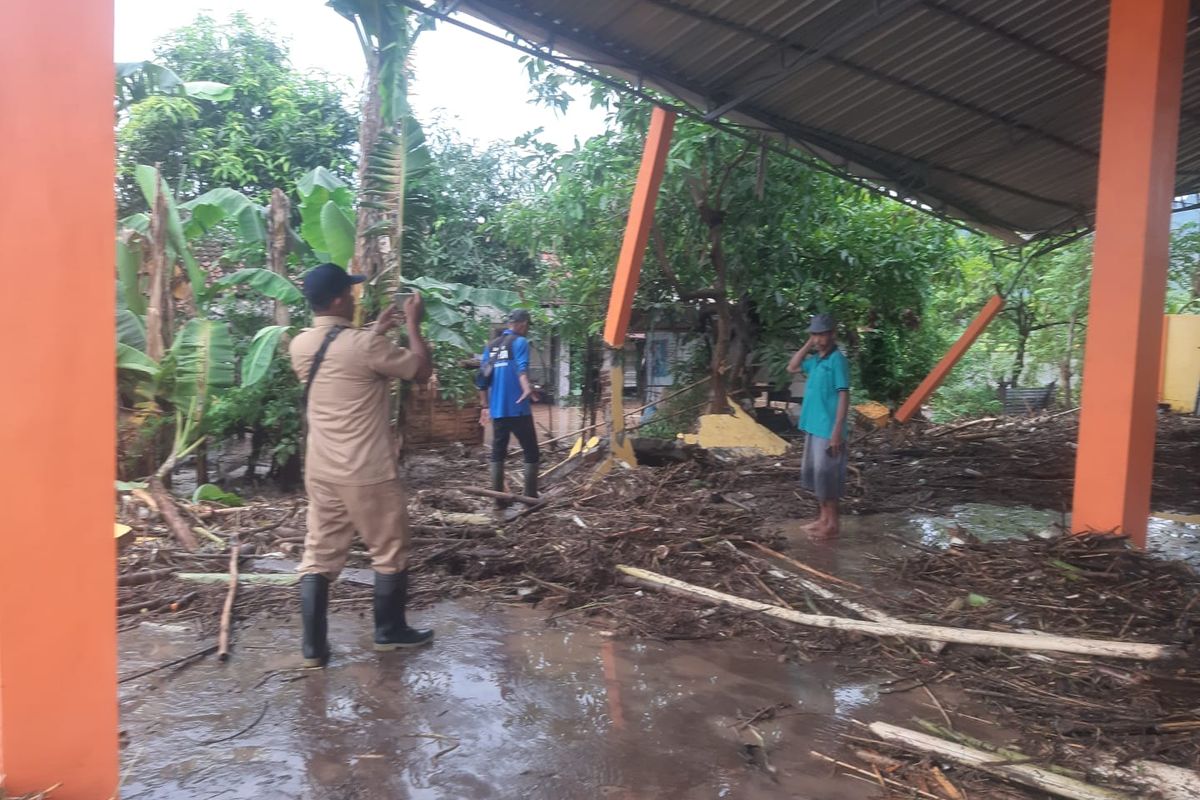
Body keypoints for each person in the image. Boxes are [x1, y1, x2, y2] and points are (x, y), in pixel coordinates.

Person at [289, 263, 434, 668]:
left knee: (318, 555)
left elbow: (344, 361)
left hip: (321, 469)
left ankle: (313, 649)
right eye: (350, 292)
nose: (355, 297)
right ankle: (389, 632)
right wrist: (413, 324)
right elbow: (421, 371)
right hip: (366, 470)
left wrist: (376, 332)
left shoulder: (300, 345)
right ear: (339, 299)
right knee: (389, 550)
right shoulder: (364, 346)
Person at [787, 313, 851, 538]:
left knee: (829, 475)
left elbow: (843, 395)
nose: (818, 339)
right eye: (815, 334)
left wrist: (837, 431)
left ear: (832, 334)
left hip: (829, 429)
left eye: (822, 334)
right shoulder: (815, 361)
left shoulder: (837, 361)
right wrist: (808, 343)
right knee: (818, 476)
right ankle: (823, 519)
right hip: (813, 426)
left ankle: (832, 524)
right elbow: (792, 367)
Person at [478, 309, 538, 503]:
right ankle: (530, 497)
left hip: (498, 410)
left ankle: (498, 499)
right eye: (526, 325)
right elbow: (521, 368)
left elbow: (482, 379)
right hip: (518, 408)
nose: (526, 328)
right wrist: (526, 388)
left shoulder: (491, 346)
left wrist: (485, 406)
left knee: (498, 452)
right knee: (531, 450)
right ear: (523, 324)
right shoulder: (520, 342)